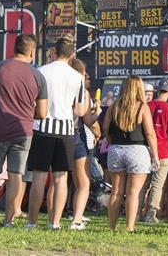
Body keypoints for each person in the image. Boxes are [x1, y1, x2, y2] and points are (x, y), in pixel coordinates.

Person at [0, 33, 48, 229]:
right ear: (32, 52)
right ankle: (8, 221)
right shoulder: (37, 75)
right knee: (16, 175)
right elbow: (42, 112)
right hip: (23, 131)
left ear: (14, 49)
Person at [26, 35, 87, 230]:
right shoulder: (77, 77)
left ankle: (32, 222)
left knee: (39, 178)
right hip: (66, 131)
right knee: (61, 179)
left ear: (54, 51)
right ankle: (55, 223)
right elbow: (78, 110)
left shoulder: (41, 72)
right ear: (72, 55)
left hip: (42, 128)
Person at [103, 76, 158, 232]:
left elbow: (105, 128)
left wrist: (112, 141)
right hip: (138, 151)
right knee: (133, 192)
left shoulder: (114, 106)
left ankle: (112, 227)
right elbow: (150, 134)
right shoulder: (142, 107)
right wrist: (155, 155)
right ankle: (129, 227)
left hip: (116, 150)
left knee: (116, 191)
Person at [69, 59, 102, 230]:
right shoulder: (82, 91)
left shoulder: (60, 86)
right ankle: (76, 220)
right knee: (83, 183)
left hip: (57, 133)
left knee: (59, 180)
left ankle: (55, 219)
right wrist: (97, 112)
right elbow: (88, 120)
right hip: (77, 135)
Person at [141, 79, 168, 224]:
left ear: (157, 90)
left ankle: (136, 212)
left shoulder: (147, 106)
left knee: (143, 184)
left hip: (146, 150)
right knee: (157, 185)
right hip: (163, 151)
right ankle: (150, 215)